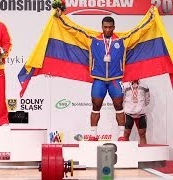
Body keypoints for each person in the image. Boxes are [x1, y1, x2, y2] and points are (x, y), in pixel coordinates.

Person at [55, 8, 155, 141]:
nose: (107, 30)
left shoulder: (122, 40)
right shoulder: (92, 39)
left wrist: (151, 16)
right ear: (102, 27)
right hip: (99, 80)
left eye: (110, 27)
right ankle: (93, 135)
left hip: (115, 79)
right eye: (105, 27)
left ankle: (121, 136)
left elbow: (139, 30)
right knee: (96, 106)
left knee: (119, 106)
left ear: (114, 27)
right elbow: (73, 29)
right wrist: (60, 17)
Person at [123, 80, 150, 144]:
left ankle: (143, 153)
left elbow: (147, 100)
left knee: (142, 135)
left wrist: (140, 106)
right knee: (126, 134)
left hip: (141, 114)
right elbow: (122, 99)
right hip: (129, 114)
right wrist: (128, 107)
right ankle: (126, 152)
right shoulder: (125, 86)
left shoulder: (144, 86)